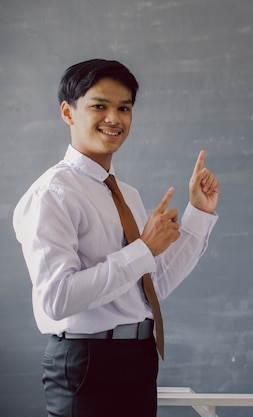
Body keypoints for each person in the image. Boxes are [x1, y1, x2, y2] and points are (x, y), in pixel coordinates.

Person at [13, 59, 220, 417]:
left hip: (138, 357)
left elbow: (152, 285)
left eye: (124, 108)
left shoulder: (127, 194)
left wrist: (198, 213)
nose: (114, 118)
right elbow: (57, 299)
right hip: (86, 363)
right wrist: (143, 248)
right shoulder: (53, 194)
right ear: (68, 112)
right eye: (99, 106)